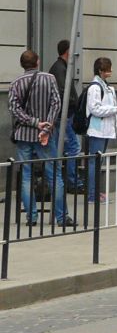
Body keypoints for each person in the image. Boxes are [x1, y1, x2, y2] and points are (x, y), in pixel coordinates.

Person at [8, 50, 72, 226]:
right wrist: (47, 125)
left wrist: (35, 123)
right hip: (45, 135)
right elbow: (56, 103)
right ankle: (61, 217)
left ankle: (32, 217)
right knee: (54, 174)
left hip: (24, 135)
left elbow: (14, 109)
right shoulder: (49, 78)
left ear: (22, 64)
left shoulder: (15, 83)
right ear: (37, 61)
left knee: (26, 175)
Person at [84, 57, 117, 204]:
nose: (110, 72)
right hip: (97, 130)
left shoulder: (104, 86)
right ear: (100, 71)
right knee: (95, 162)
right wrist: (113, 110)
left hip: (103, 129)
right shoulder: (95, 87)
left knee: (97, 162)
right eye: (107, 70)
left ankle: (95, 193)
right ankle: (92, 195)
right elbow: (94, 109)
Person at [49, 39, 82, 193]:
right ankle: (72, 182)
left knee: (63, 147)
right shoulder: (60, 69)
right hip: (64, 115)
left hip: (64, 114)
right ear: (67, 51)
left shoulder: (60, 68)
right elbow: (63, 92)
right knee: (73, 147)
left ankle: (65, 180)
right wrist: (73, 103)